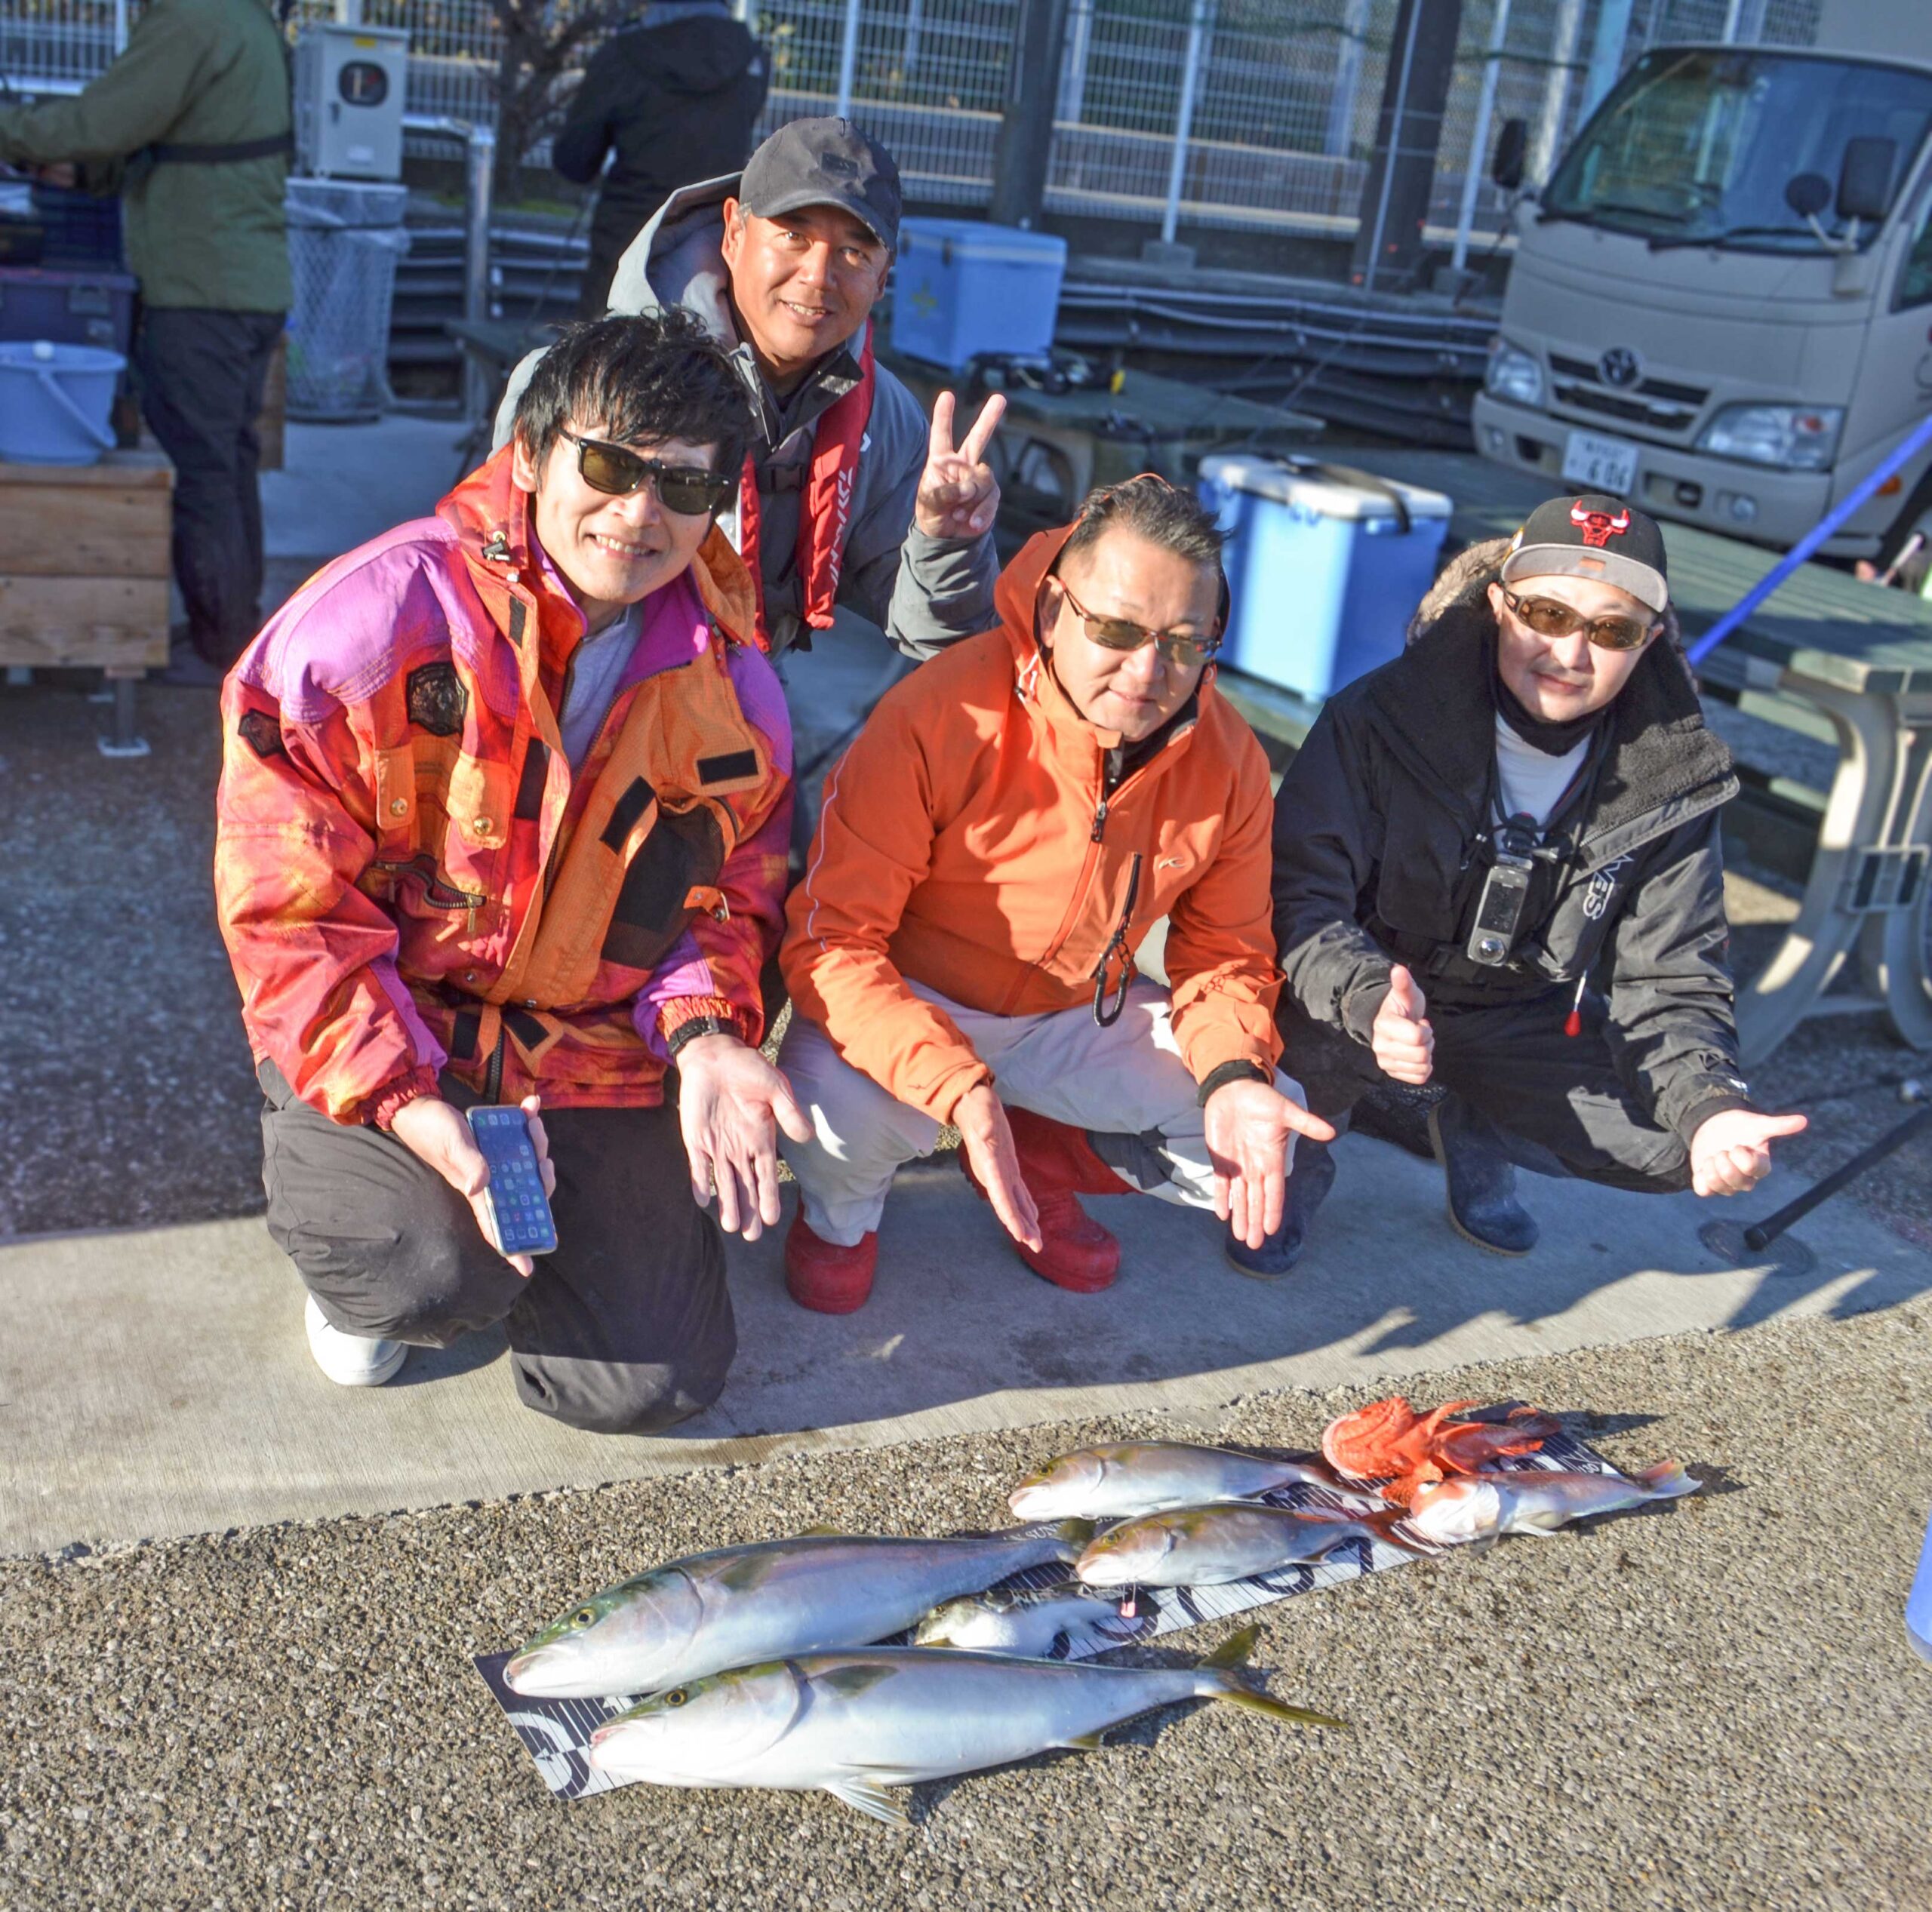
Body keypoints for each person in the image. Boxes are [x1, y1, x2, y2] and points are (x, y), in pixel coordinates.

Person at [214, 312, 808, 1433]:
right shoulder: (363, 630)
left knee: (651, 1385)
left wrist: (709, 1032)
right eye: (610, 464)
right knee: (424, 1268)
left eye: (685, 485)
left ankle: (518, 1241)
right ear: (532, 455)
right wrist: (410, 1097)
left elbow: (728, 903)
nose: (641, 513)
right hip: (401, 1025)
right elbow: (287, 917)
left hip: (580, 1046)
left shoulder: (741, 692)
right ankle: (393, 1249)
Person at [773, 475, 1335, 1314]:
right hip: (914, 998)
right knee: (829, 1112)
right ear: (1050, 608)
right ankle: (841, 1216)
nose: (1148, 671)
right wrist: (955, 1083)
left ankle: (1042, 1155)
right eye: (1114, 628)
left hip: (1074, 1013)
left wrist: (1231, 1074)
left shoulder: (1231, 759)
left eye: (1185, 642)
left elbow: (1224, 955)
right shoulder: (940, 710)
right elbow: (832, 943)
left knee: (1263, 1126)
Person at [1254, 493, 1807, 1275]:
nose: (1569, 652)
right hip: (1364, 993)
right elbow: (1297, 894)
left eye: (1609, 629)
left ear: (1648, 642)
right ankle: (1307, 1151)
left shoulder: (1677, 776)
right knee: (1265, 1053)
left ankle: (1474, 1117)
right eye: (1545, 612)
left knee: (1679, 1144)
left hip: (1517, 1009)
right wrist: (1369, 996)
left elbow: (1672, 976)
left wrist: (1713, 1106)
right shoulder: (1377, 715)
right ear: (1497, 606)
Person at [497, 115, 1002, 665]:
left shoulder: (888, 422)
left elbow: (938, 641)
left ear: (884, 279)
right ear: (734, 231)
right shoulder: (580, 386)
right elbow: (489, 576)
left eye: (855, 252)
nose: (817, 275)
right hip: (569, 684)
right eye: (793, 236)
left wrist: (947, 542)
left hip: (741, 698)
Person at [0, 0, 291, 682]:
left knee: (204, 473)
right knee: (227, 464)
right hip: (240, 282)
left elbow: (98, 122)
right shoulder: (240, 18)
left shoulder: (194, 16)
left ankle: (220, 649)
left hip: (202, 287)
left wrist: (15, 130)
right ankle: (233, 631)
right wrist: (89, 169)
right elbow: (186, 139)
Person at [552, 0, 769, 320]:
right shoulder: (753, 61)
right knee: (704, 364)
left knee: (603, 362)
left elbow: (574, 161)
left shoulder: (622, 54)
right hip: (713, 248)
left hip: (626, 248)